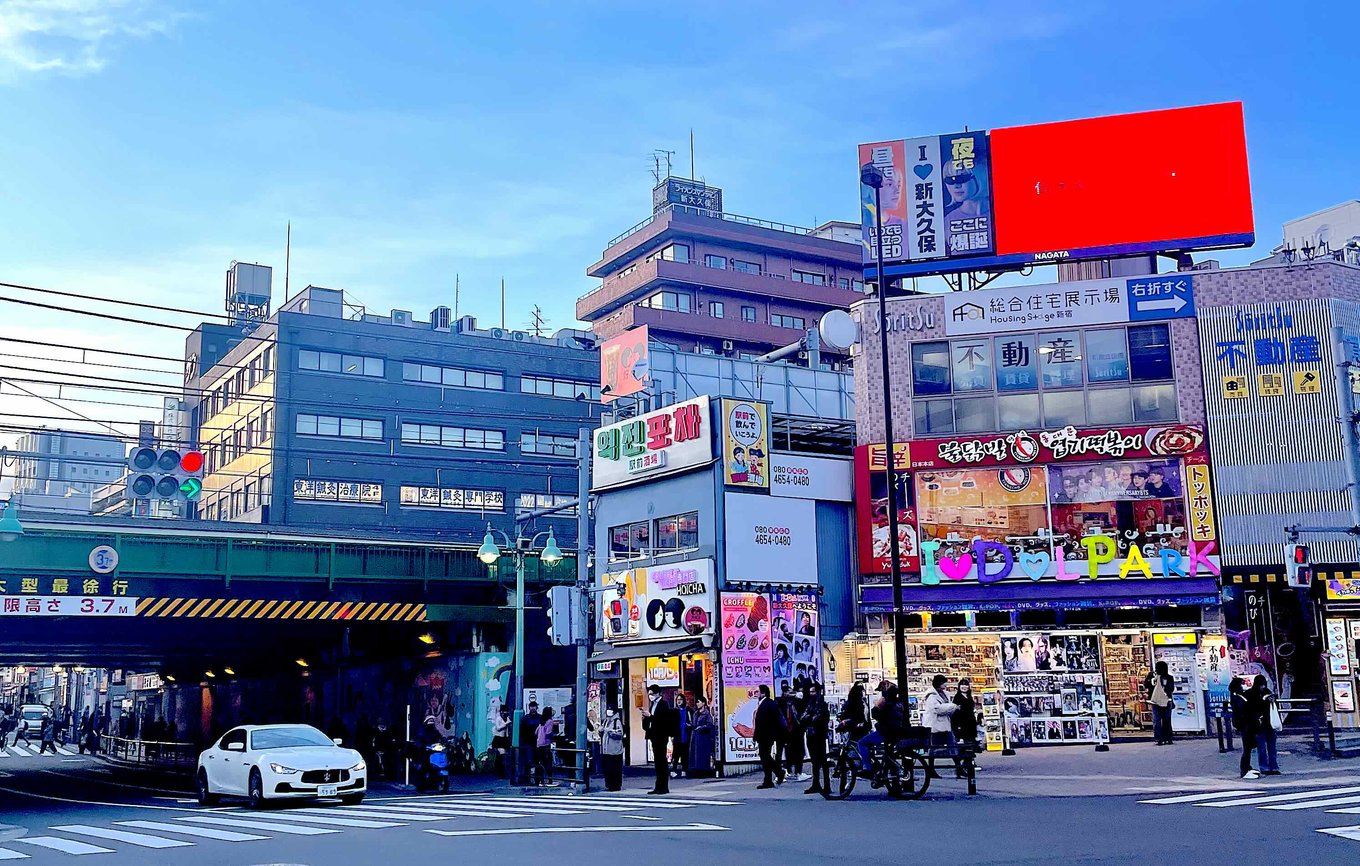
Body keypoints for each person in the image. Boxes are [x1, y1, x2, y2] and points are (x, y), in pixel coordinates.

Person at [859, 681, 904, 771]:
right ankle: (891, 770)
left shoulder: (886, 703)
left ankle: (867, 767)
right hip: (896, 730)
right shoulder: (899, 703)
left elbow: (877, 715)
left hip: (886, 731)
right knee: (888, 752)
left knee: (862, 743)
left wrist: (876, 706)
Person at [921, 675, 959, 780]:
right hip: (935, 725)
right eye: (944, 683)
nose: (945, 685)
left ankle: (959, 767)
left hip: (945, 724)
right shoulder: (931, 695)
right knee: (933, 748)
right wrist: (952, 707)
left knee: (952, 745)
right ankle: (931, 769)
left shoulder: (944, 694)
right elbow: (937, 709)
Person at [641, 685, 675, 795]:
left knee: (662, 761)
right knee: (657, 762)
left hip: (661, 736)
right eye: (649, 694)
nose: (650, 696)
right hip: (653, 735)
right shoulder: (653, 705)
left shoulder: (663, 705)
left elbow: (662, 721)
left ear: (657, 693)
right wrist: (646, 718)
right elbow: (650, 722)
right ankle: (658, 786)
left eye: (651, 694)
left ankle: (664, 786)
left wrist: (650, 716)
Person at [753, 685, 786, 789]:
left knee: (765, 755)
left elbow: (771, 721)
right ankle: (769, 779)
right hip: (764, 734)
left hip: (767, 735)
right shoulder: (765, 704)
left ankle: (778, 772)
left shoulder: (769, 704)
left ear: (763, 693)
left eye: (758, 691)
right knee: (764, 756)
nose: (756, 693)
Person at [800, 681, 830, 795]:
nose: (811, 694)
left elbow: (817, 718)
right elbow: (803, 717)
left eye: (813, 691)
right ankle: (816, 784)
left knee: (822, 761)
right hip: (810, 734)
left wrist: (809, 718)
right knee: (814, 761)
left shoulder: (822, 704)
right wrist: (809, 717)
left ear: (818, 692)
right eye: (810, 692)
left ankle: (827, 785)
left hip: (819, 734)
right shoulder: (810, 703)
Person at [1229, 678, 1258, 779]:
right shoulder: (1237, 697)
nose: (1244, 686)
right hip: (1245, 725)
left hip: (1246, 724)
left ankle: (1247, 767)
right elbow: (1242, 712)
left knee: (1248, 748)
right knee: (1247, 748)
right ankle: (1244, 770)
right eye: (1242, 684)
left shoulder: (1238, 696)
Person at [952, 679, 981, 778]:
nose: (964, 687)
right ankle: (961, 766)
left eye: (966, 685)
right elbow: (956, 713)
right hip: (963, 725)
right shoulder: (957, 697)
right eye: (962, 685)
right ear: (959, 687)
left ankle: (965, 765)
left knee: (970, 746)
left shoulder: (969, 696)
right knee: (964, 747)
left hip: (970, 725)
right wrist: (958, 726)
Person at [1253, 675, 1282, 776]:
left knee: (1272, 747)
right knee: (1261, 748)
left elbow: (1275, 707)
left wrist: (1273, 700)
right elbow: (1253, 708)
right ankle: (1264, 767)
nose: (1263, 687)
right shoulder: (1253, 694)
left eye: (1264, 684)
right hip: (1259, 725)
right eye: (1261, 685)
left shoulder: (1268, 692)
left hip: (1270, 724)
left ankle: (1274, 766)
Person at [1144, 661, 1176, 745]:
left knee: (1157, 720)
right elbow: (1171, 689)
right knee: (1167, 720)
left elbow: (1146, 685)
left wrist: (1152, 681)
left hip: (1155, 701)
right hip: (1167, 701)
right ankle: (1168, 738)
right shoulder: (1169, 677)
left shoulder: (1152, 676)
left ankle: (1158, 738)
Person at [779, 683, 805, 782]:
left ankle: (799, 771)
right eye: (789, 692)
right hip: (786, 731)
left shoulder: (796, 702)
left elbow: (803, 701)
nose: (791, 694)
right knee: (788, 752)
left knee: (799, 752)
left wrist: (795, 695)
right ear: (784, 693)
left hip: (797, 731)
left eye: (792, 692)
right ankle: (788, 770)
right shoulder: (781, 703)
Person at [688, 697, 715, 777]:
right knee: (694, 754)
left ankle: (703, 771)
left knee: (702, 754)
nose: (697, 704)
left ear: (703, 703)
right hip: (695, 736)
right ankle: (695, 770)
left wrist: (702, 727)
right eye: (696, 702)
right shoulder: (695, 713)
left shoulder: (707, 714)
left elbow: (710, 725)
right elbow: (694, 724)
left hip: (703, 737)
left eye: (698, 702)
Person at [600, 707, 625, 791]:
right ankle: (609, 785)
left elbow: (619, 734)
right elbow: (602, 734)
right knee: (608, 769)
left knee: (615, 768)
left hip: (615, 749)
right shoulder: (606, 721)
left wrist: (608, 731)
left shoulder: (616, 721)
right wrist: (601, 731)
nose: (608, 711)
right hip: (606, 749)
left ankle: (616, 785)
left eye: (610, 710)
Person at [533, 707, 557, 786]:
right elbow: (548, 732)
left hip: (539, 743)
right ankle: (549, 780)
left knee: (540, 762)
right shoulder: (550, 721)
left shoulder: (541, 721)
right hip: (546, 744)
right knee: (548, 762)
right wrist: (554, 735)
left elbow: (536, 732)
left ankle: (540, 780)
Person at [519, 701, 542, 784]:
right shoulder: (526, 718)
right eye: (531, 707)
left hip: (537, 742)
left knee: (537, 760)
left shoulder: (538, 717)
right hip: (529, 742)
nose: (533, 708)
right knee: (529, 760)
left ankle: (537, 778)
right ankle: (528, 778)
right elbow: (522, 731)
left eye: (534, 706)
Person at [671, 693, 690, 779]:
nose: (679, 701)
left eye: (680, 699)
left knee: (684, 754)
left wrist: (689, 725)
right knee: (675, 754)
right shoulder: (675, 711)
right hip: (677, 735)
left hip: (685, 735)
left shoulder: (688, 710)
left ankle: (684, 770)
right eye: (677, 700)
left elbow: (691, 721)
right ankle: (673, 770)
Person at [491, 706, 512, 777]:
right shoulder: (498, 719)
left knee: (503, 755)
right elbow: (498, 728)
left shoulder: (507, 718)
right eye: (504, 712)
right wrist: (506, 723)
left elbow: (506, 730)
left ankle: (501, 770)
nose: (505, 713)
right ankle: (500, 771)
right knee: (501, 754)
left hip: (504, 738)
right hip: (498, 738)